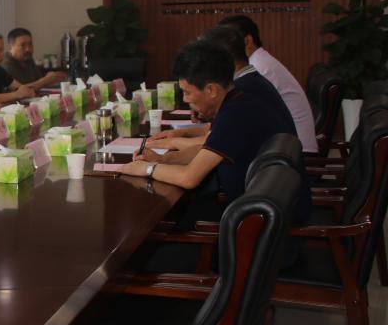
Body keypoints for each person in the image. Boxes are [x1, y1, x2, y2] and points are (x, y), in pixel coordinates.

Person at [122, 40, 309, 224]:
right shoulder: (238, 100)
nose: (185, 99)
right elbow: (206, 151)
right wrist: (163, 159)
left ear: (211, 89)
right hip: (264, 211)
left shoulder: (235, 114)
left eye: (187, 92)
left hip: (257, 224)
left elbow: (189, 178)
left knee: (165, 221)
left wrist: (147, 169)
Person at [145, 25, 296, 159]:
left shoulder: (243, 92)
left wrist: (170, 145)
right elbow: (218, 132)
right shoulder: (247, 82)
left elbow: (213, 142)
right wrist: (181, 134)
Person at [219, 15, 319, 154]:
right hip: (285, 145)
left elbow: (238, 117)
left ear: (247, 41)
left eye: (227, 42)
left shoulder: (259, 67)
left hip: (294, 153)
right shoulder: (258, 61)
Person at [1, 27, 68, 89]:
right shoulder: (6, 65)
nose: (28, 49)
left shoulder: (28, 59)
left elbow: (38, 83)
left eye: (30, 44)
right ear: (10, 47)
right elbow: (20, 90)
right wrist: (46, 80)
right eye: (23, 45)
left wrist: (54, 79)